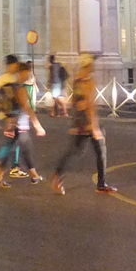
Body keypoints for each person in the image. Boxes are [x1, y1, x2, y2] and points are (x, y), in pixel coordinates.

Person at [52, 53, 116, 195]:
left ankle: (58, 175)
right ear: (87, 65)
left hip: (79, 122)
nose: (94, 65)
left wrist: (74, 119)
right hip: (87, 123)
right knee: (100, 152)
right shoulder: (87, 81)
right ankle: (101, 184)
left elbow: (77, 102)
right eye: (92, 63)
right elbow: (89, 104)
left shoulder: (77, 80)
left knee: (75, 151)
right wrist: (94, 127)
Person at [0, 55, 45, 188]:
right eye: (27, 73)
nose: (28, 76)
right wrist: (38, 126)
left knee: (23, 147)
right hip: (15, 122)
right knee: (11, 149)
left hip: (14, 120)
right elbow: (26, 107)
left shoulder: (13, 82)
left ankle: (32, 174)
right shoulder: (16, 86)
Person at [47, 53, 69, 118]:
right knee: (57, 98)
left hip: (55, 84)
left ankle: (61, 112)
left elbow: (51, 77)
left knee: (56, 99)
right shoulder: (59, 65)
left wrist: (49, 84)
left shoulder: (52, 67)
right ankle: (57, 112)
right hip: (61, 84)